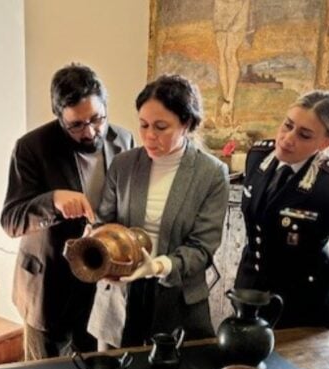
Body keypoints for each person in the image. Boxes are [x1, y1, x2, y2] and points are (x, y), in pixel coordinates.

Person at [0, 63, 135, 360]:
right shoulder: (31, 147)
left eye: (97, 119)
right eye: (76, 125)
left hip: (100, 285)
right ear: (59, 117)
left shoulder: (124, 140)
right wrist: (53, 201)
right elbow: (10, 220)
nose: (89, 131)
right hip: (48, 289)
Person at [89, 74, 229, 349]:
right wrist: (97, 243)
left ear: (186, 124)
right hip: (119, 295)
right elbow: (104, 220)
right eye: (143, 125)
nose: (150, 136)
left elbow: (202, 248)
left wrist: (159, 266)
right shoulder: (124, 164)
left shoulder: (211, 173)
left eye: (161, 127)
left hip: (177, 299)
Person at [235, 90, 329, 331]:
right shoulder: (258, 156)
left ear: (326, 143)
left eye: (304, 135)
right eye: (287, 125)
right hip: (250, 293)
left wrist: (313, 283)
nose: (287, 139)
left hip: (302, 305)